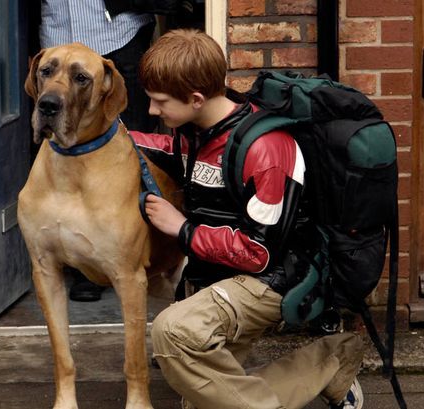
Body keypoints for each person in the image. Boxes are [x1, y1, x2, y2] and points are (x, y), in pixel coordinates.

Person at [129, 29, 365, 409]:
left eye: (160, 102)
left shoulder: (266, 149)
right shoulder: (197, 134)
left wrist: (183, 229)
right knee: (204, 400)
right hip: (220, 273)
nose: (154, 111)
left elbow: (258, 252)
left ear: (195, 99)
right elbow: (163, 149)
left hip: (271, 278)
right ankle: (332, 363)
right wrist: (111, 138)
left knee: (173, 331)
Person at [40, 0, 158, 301]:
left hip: (118, 34)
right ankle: (85, 268)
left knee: (133, 148)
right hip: (57, 33)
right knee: (65, 153)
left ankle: (138, 256)